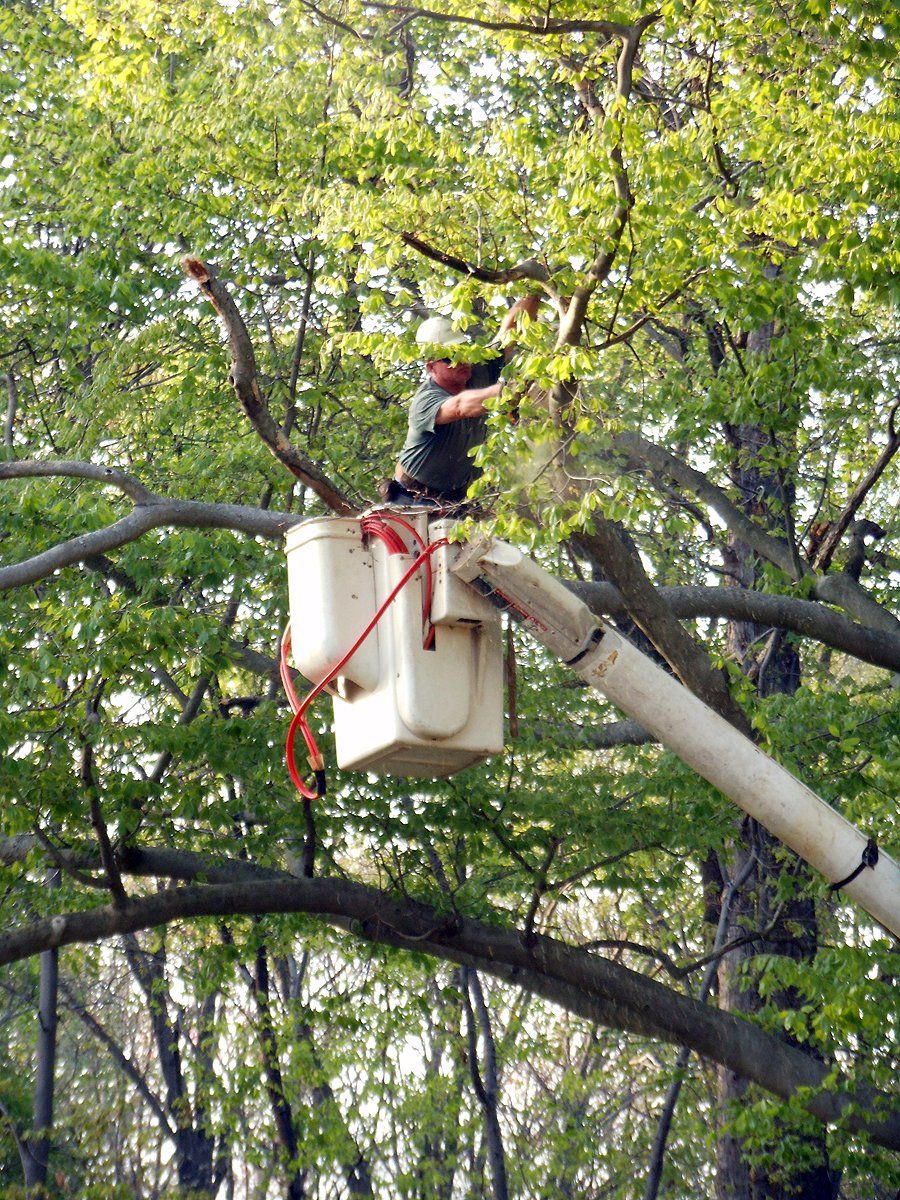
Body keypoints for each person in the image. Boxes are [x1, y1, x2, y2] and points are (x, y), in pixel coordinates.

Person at [381, 295, 540, 506]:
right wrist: (508, 392)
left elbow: (510, 331)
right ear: (431, 366)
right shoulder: (426, 401)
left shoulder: (477, 369)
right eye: (449, 358)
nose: (460, 361)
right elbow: (459, 406)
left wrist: (536, 289)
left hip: (458, 501)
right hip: (412, 500)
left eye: (461, 351)